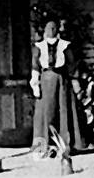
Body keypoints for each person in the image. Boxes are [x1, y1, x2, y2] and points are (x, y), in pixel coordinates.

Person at [30, 19, 89, 157]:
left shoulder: (65, 46)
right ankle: (43, 147)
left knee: (64, 111)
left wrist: (75, 82)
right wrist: (35, 84)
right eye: (48, 28)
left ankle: (65, 145)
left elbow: (72, 65)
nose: (51, 31)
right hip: (45, 81)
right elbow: (35, 67)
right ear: (44, 30)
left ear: (57, 30)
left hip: (62, 81)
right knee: (45, 113)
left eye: (53, 28)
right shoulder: (39, 47)